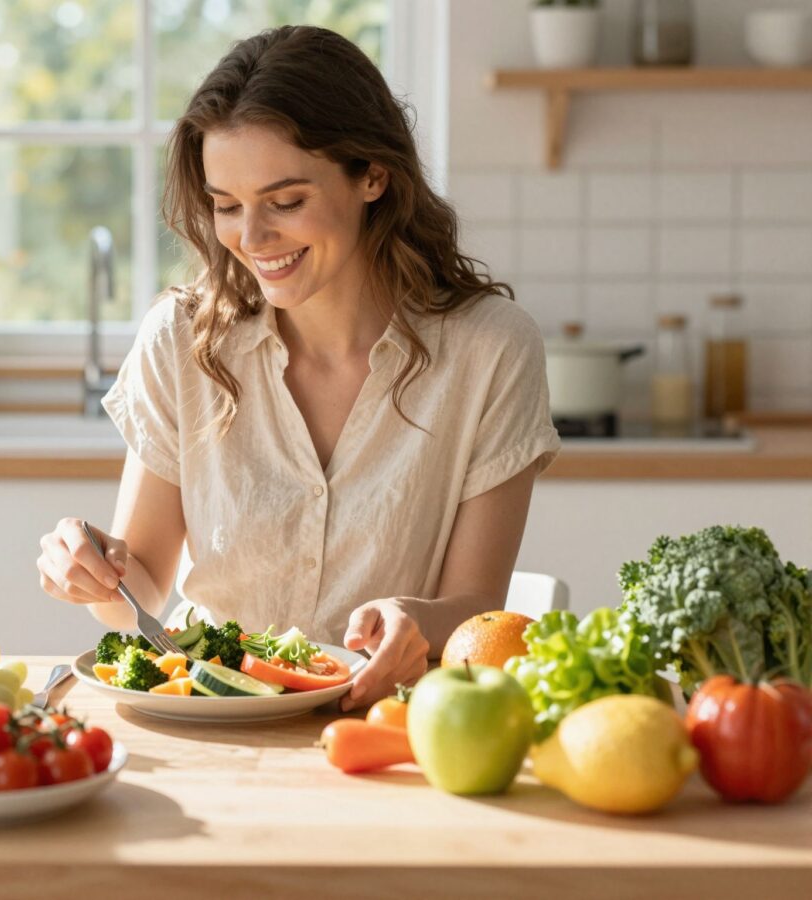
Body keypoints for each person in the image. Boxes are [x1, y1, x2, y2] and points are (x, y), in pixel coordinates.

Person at [37, 25, 560, 711]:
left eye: (285, 202)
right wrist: (91, 570)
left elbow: (476, 607)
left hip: (388, 723)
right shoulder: (182, 340)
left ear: (374, 174)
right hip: (207, 717)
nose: (251, 240)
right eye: (227, 206)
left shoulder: (490, 349)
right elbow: (142, 587)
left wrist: (413, 618)